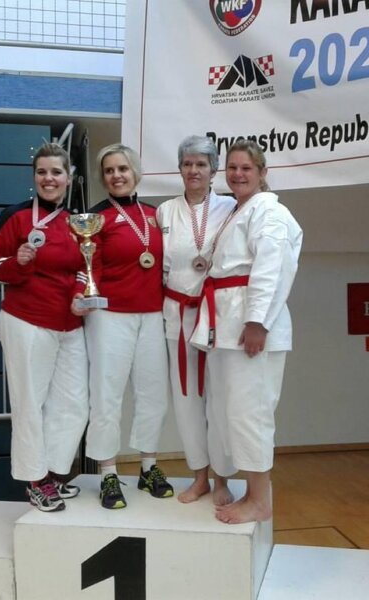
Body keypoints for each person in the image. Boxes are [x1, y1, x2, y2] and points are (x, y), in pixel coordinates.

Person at [190, 139, 302, 524]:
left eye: (246, 168)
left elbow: (271, 270)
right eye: (233, 168)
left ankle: (259, 499)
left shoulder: (270, 212)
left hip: (250, 326)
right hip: (227, 323)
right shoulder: (240, 210)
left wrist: (258, 322)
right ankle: (248, 491)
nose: (238, 174)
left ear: (263, 173)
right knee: (230, 411)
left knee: (251, 412)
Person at [0, 142, 90, 512]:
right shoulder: (15, 216)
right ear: (34, 177)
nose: (49, 178)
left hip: (69, 324)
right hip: (26, 321)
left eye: (56, 172)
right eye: (42, 172)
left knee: (74, 404)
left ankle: (55, 475)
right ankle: (35, 480)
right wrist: (19, 261)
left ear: (68, 177)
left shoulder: (77, 221)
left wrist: (79, 294)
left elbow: (84, 268)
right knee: (30, 404)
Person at [82, 143, 173, 509]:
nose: (116, 175)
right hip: (109, 316)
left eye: (122, 168)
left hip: (152, 315)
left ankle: (148, 467)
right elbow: (86, 269)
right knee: (107, 396)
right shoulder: (94, 218)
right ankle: (108, 472)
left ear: (135, 171)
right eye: (109, 170)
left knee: (154, 394)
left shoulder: (156, 215)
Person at [157, 135, 237, 505]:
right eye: (187, 164)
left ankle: (222, 480)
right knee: (186, 398)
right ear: (179, 169)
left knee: (218, 398)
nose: (194, 170)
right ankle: (199, 477)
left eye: (201, 164)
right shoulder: (165, 211)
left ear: (213, 170)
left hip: (217, 314)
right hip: (177, 313)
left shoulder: (231, 207)